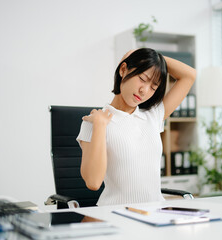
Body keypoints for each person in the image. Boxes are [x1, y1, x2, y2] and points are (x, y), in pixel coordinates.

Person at [76, 48, 196, 206]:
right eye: (142, 78)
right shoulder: (94, 121)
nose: (144, 90)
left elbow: (189, 75)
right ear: (123, 70)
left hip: (155, 214)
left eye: (153, 87)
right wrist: (100, 125)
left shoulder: (153, 116)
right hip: (116, 215)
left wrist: (154, 59)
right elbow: (93, 182)